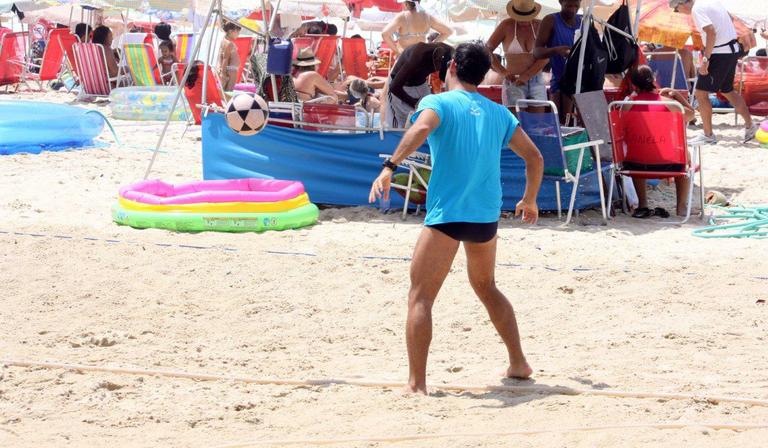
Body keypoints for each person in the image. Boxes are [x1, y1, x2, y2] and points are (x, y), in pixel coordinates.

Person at [369, 41, 544, 395]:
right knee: (487, 287)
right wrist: (529, 199)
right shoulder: (499, 113)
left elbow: (419, 131)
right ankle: (519, 362)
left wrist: (390, 166)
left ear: (450, 68)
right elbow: (535, 158)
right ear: (482, 75)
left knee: (420, 297)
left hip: (448, 216)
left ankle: (416, 384)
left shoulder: (437, 103)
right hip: (484, 217)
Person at [669, 0, 757, 144]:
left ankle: (708, 135)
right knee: (728, 91)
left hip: (719, 53)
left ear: (683, 3)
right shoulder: (712, 2)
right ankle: (750, 126)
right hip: (730, 51)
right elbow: (730, 19)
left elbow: (711, 31)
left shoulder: (696, 9)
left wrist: (706, 59)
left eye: (676, 9)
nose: (677, 12)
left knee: (700, 93)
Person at [625, 65, 695, 218]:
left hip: (635, 165)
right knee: (684, 155)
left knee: (638, 148)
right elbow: (691, 115)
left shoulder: (626, 106)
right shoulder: (670, 104)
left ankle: (643, 204)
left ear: (634, 85)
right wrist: (677, 95)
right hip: (670, 165)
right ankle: (681, 207)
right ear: (654, 80)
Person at [487, 0, 549, 107]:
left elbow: (546, 55)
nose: (523, 21)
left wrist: (527, 75)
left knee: (538, 121)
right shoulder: (506, 25)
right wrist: (503, 72)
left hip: (536, 79)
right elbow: (487, 50)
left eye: (526, 16)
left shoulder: (540, 26)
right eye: (520, 16)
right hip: (513, 80)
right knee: (516, 121)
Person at [384, 42, 453, 128]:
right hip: (401, 88)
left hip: (421, 85)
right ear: (435, 58)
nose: (436, 69)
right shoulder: (418, 54)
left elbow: (445, 78)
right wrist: (415, 103)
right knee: (402, 129)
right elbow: (394, 87)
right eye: (437, 66)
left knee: (431, 121)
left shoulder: (450, 54)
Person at [533, 0, 582, 123]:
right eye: (569, 5)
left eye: (576, 6)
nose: (573, 9)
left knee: (581, 125)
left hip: (582, 82)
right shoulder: (550, 20)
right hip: (560, 82)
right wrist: (556, 50)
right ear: (561, 2)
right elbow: (537, 52)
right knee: (562, 124)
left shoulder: (584, 21)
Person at [382, 0, 452, 57]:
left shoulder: (402, 17)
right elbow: (448, 31)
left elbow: (385, 34)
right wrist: (431, 46)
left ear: (406, 3)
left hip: (405, 57)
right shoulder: (428, 17)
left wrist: (397, 51)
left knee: (395, 74)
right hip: (420, 57)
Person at [218, 22, 242, 91]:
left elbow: (222, 57)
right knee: (229, 90)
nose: (238, 34)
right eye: (237, 32)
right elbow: (225, 59)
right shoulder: (229, 44)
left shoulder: (224, 41)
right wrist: (223, 74)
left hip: (229, 70)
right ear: (230, 31)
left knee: (225, 90)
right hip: (231, 70)